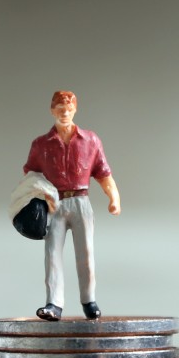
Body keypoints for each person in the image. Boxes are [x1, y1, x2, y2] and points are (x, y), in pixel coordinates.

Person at [22, 90, 120, 321]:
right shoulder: (41, 144)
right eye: (59, 109)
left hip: (81, 201)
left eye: (68, 109)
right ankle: (53, 304)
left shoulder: (90, 140)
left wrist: (114, 198)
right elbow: (31, 174)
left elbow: (103, 173)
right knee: (52, 253)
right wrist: (37, 196)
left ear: (75, 110)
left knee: (85, 253)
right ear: (52, 111)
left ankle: (89, 301)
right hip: (54, 202)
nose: (64, 113)